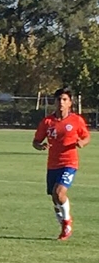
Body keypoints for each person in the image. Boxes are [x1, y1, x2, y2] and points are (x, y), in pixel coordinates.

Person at [32, 87, 90, 240]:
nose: (61, 102)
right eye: (59, 99)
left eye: (65, 100)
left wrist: (82, 142)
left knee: (59, 193)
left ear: (70, 103)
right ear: (55, 102)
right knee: (55, 197)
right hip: (52, 165)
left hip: (69, 163)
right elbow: (36, 141)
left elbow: (86, 137)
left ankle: (66, 222)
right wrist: (40, 146)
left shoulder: (76, 120)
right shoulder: (47, 122)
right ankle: (63, 222)